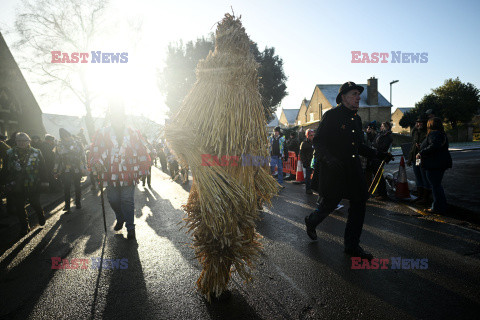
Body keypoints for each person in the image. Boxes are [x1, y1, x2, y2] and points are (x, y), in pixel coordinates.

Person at [304, 81, 393, 260]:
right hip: (334, 169)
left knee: (359, 204)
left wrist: (379, 154)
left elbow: (359, 146)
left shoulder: (356, 118)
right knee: (329, 204)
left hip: (352, 169)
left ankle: (352, 246)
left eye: (358, 94)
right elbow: (318, 141)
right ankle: (311, 221)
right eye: (354, 94)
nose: (358, 97)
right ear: (343, 97)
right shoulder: (331, 116)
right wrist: (329, 159)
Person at [89, 99, 151, 240]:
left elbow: (141, 150)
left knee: (127, 200)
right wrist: (97, 162)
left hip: (129, 174)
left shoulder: (133, 133)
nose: (117, 118)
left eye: (120, 116)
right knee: (113, 199)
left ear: (124, 117)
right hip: (111, 175)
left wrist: (142, 169)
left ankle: (130, 228)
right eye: (114, 116)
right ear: (111, 117)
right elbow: (96, 150)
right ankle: (120, 217)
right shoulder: (102, 133)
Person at [5, 132, 46, 236]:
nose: (21, 143)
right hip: (17, 184)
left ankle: (40, 215)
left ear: (29, 141)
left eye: (24, 141)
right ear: (16, 141)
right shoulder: (9, 153)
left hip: (33, 184)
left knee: (34, 203)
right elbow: (5, 169)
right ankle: (25, 226)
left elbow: (43, 168)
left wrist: (45, 182)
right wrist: (3, 182)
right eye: (19, 141)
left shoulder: (36, 152)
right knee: (19, 206)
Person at [416, 117, 452, 214]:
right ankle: (441, 205)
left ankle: (437, 207)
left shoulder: (434, 134)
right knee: (437, 186)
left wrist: (421, 152)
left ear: (431, 125)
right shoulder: (441, 134)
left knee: (435, 186)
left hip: (434, 164)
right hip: (439, 163)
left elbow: (434, 146)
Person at [54, 128, 87, 213]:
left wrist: (84, 167)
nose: (66, 137)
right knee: (66, 187)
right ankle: (67, 205)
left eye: (67, 135)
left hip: (77, 167)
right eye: (64, 136)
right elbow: (57, 159)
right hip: (65, 169)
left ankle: (78, 202)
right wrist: (55, 170)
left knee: (77, 185)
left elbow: (83, 155)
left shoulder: (77, 143)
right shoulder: (59, 145)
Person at [407, 115, 431, 204]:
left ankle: (425, 198)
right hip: (416, 158)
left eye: (420, 122)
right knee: (418, 177)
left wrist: (422, 146)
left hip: (423, 157)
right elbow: (413, 146)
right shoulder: (416, 132)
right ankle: (420, 196)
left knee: (424, 177)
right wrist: (410, 159)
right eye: (417, 122)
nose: (418, 124)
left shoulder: (427, 132)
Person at [372, 121, 393, 200]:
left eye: (382, 126)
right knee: (377, 175)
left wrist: (376, 147)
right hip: (377, 155)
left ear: (386, 127)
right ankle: (380, 192)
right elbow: (374, 142)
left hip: (380, 156)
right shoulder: (381, 134)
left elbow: (382, 147)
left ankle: (383, 194)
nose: (380, 127)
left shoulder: (387, 136)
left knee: (379, 175)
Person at [299, 129, 315, 194]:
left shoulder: (315, 142)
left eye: (313, 135)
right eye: (311, 135)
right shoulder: (304, 143)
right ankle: (308, 189)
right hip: (308, 162)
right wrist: (304, 162)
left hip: (314, 162)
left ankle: (314, 188)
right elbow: (301, 154)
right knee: (308, 177)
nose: (312, 137)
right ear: (307, 136)